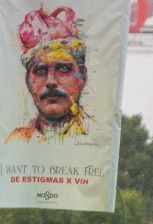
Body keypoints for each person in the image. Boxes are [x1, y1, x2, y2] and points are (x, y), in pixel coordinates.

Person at [6, 6, 94, 144]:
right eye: (40, 70)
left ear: (83, 76)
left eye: (63, 68)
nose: (51, 81)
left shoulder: (98, 140)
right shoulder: (15, 142)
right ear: (28, 81)